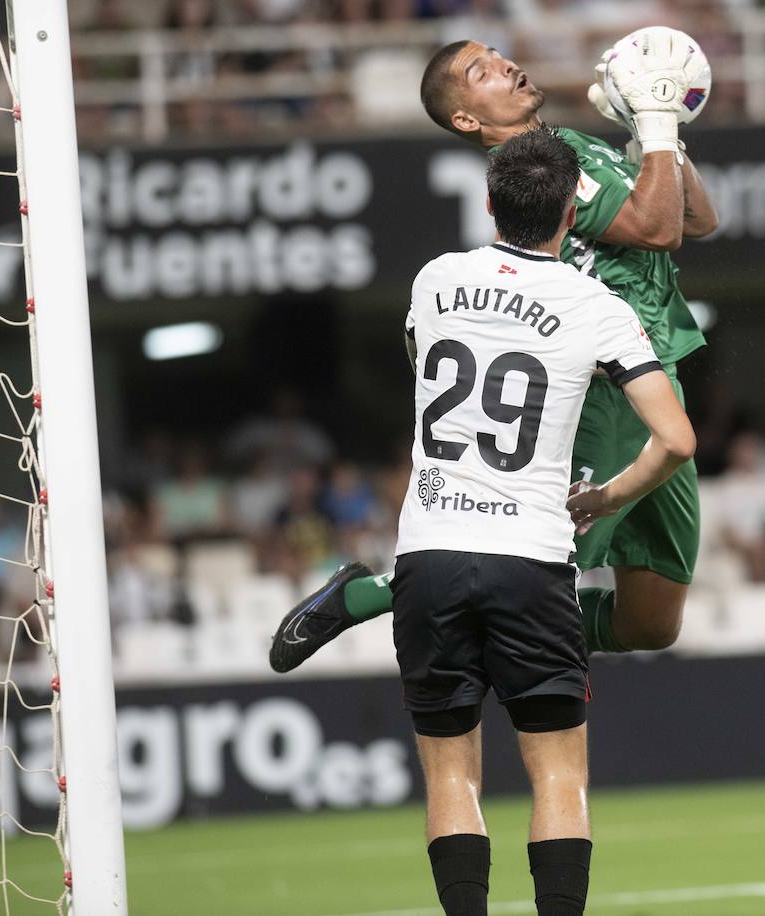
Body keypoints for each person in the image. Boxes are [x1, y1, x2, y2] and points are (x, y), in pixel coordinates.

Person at [269, 31, 717, 672]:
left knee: (651, 623)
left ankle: (456, 617)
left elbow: (699, 220)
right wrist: (649, 126)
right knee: (524, 569)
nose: (506, 65)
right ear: (465, 118)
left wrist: (663, 129)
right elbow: (657, 228)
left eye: (499, 57)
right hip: (602, 390)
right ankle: (371, 596)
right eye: (482, 70)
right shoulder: (540, 166)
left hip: (656, 375)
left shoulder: (576, 144)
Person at [394, 126, 695, 916]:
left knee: (451, 775)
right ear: (572, 213)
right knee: (558, 774)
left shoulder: (435, 278)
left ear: (488, 204)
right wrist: (612, 494)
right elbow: (677, 439)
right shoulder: (596, 304)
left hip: (428, 551)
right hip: (530, 554)